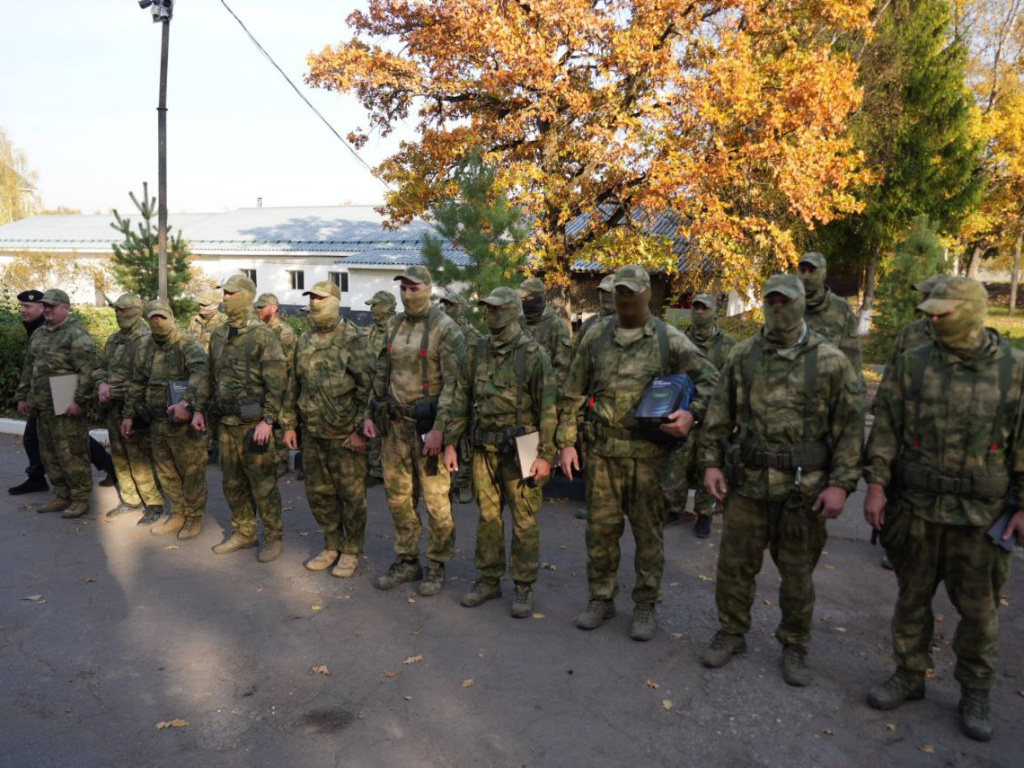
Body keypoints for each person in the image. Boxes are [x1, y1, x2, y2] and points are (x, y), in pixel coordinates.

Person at [862, 277, 1024, 742]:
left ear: (972, 312)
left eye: (942, 314)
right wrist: (875, 487)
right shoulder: (914, 365)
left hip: (981, 517)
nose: (932, 321)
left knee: (979, 611)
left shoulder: (1015, 371)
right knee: (911, 598)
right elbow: (887, 429)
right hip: (917, 508)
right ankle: (909, 673)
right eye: (929, 314)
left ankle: (975, 689)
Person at [697, 274, 864, 686]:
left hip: (802, 492)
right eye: (770, 301)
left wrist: (841, 484)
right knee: (734, 567)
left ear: (800, 303)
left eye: (784, 301)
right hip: (748, 486)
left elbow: (849, 429)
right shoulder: (744, 355)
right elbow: (718, 415)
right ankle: (732, 631)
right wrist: (711, 464)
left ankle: (795, 644)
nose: (777, 308)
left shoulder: (829, 361)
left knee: (797, 575)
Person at [556, 265, 719, 641]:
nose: (624, 297)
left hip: (649, 456)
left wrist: (691, 414)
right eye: (619, 291)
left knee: (648, 535)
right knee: (600, 532)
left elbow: (711, 380)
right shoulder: (596, 335)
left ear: (646, 293)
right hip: (602, 455)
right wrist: (566, 442)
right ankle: (601, 598)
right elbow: (573, 393)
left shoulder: (668, 338)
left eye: (632, 290)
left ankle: (645, 605)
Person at [443, 286, 557, 617]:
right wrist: (451, 442)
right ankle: (489, 579)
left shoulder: (532, 354)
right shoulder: (477, 351)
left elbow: (550, 408)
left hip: (522, 446)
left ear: (511, 311)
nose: (490, 314)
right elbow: (461, 398)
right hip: (484, 447)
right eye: (487, 309)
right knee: (488, 517)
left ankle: (523, 586)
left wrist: (546, 454)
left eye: (496, 309)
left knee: (524, 518)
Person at [362, 265, 466, 596]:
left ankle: (436, 563)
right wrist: (369, 412)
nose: (407, 294)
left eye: (414, 287)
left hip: (428, 428)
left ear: (428, 288)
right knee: (398, 499)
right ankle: (407, 561)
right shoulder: (393, 325)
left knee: (436, 502)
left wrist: (442, 432)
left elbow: (455, 386)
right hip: (395, 427)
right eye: (403, 288)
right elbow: (382, 371)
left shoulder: (446, 329)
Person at [192, 274, 288, 563]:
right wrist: (198, 408)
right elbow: (209, 376)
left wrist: (269, 420)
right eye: (225, 293)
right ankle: (244, 532)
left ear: (247, 295)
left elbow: (277, 383)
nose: (226, 297)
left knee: (262, 484)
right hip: (227, 425)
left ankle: (273, 536)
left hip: (254, 424)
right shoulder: (220, 334)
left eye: (233, 293)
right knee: (232, 483)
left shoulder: (262, 336)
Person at [282, 281, 372, 578]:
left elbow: (369, 389)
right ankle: (331, 544)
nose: (315, 303)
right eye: (311, 298)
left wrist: (360, 430)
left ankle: (351, 550)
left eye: (320, 298)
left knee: (352, 496)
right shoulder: (305, 339)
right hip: (313, 432)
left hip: (345, 435)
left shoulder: (353, 339)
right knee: (319, 493)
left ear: (334, 300)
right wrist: (290, 424)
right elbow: (294, 383)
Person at [8, 290, 115, 495]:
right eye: (22, 306)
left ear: (64, 308)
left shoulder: (74, 334)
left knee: (70, 442)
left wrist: (79, 401)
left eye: (28, 306)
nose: (23, 310)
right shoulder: (40, 332)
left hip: (64, 392)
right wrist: (22, 395)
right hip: (42, 398)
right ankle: (49, 484)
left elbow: (86, 371)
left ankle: (79, 488)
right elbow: (30, 366)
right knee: (46, 442)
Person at [122, 300, 209, 540]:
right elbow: (138, 381)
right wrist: (129, 414)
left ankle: (193, 517)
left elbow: (201, 373)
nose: (158, 322)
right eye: (154, 318)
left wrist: (187, 403)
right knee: (167, 472)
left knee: (192, 472)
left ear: (171, 316)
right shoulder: (145, 345)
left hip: (183, 424)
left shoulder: (186, 343)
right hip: (157, 421)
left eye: (162, 317)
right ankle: (178, 513)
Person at [665, 294, 737, 536]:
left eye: (704, 307)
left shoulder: (728, 345)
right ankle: (674, 509)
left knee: (709, 464)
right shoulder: (681, 341)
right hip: (684, 412)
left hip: (713, 418)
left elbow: (734, 383)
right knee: (678, 464)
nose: (698, 311)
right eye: (695, 307)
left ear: (714, 312)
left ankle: (704, 514)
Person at [94, 293, 165, 525]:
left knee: (140, 458)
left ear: (136, 310)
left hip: (135, 409)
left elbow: (147, 380)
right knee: (120, 455)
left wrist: (110, 391)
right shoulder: (114, 340)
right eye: (116, 310)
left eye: (124, 310)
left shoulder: (147, 340)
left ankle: (154, 503)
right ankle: (130, 498)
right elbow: (100, 367)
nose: (119, 314)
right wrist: (102, 384)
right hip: (113, 408)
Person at [440, 290, 484, 505]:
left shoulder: (473, 336)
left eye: (451, 304)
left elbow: (478, 367)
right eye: (445, 305)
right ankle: (443, 481)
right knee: (441, 436)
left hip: (464, 393)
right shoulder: (439, 332)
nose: (447, 308)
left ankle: (463, 484)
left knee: (465, 440)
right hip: (443, 392)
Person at [797, 252, 863, 380]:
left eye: (812, 270)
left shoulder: (840, 309)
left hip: (827, 390)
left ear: (823, 274)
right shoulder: (786, 305)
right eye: (802, 270)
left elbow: (851, 358)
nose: (806, 276)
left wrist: (854, 394)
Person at [255, 292, 297, 474]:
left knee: (279, 421)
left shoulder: (283, 331)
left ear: (274, 308)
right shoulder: (257, 329)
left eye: (263, 306)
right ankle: (265, 456)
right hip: (261, 382)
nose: (259, 310)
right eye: (258, 306)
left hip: (280, 382)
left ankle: (281, 459)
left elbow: (286, 362)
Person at [364, 290, 397, 486]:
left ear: (385, 307)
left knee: (393, 432)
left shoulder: (397, 329)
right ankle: (376, 469)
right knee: (374, 426)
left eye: (375, 305)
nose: (371, 309)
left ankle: (393, 470)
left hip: (393, 388)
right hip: (373, 386)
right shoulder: (372, 331)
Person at [519, 277, 572, 380]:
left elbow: (563, 369)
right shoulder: (517, 323)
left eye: (527, 298)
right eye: (522, 299)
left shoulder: (556, 326)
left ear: (538, 298)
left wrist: (548, 392)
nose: (524, 301)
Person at [571, 274, 616, 357]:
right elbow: (575, 355)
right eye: (602, 292)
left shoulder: (627, 324)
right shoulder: (589, 323)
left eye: (609, 292)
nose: (604, 296)